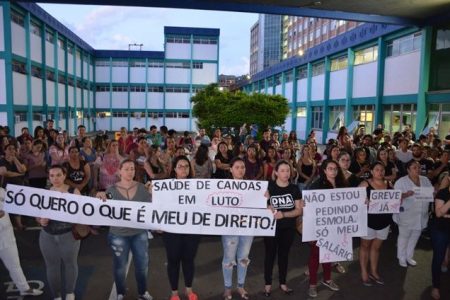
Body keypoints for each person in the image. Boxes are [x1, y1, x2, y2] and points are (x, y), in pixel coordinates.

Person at [96, 159, 153, 300]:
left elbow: (152, 208)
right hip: (118, 235)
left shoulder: (142, 188)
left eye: (132, 169)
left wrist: (154, 194)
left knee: (142, 265)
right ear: (119, 171)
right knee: (120, 266)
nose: (130, 172)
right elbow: (101, 207)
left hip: (139, 233)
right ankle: (120, 292)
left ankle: (143, 292)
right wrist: (99, 197)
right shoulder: (111, 191)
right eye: (126, 169)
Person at [36, 165, 81, 300]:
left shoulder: (74, 191)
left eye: (58, 175)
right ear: (49, 177)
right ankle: (56, 295)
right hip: (47, 235)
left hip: (68, 235)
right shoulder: (44, 192)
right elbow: (36, 213)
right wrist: (40, 220)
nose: (55, 178)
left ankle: (69, 292)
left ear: (64, 175)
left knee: (70, 263)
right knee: (51, 266)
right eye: (52, 176)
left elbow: (82, 213)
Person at [163, 156, 200, 300]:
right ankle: (174, 293)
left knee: (189, 260)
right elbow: (157, 206)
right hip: (171, 231)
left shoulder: (198, 186)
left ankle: (189, 291)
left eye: (186, 166)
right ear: (174, 169)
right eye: (180, 166)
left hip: (192, 230)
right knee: (173, 260)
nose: (183, 169)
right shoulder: (165, 187)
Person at [264, 160, 302, 296]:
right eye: (282, 171)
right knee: (270, 255)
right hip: (270, 228)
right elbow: (258, 204)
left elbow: (299, 210)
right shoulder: (269, 187)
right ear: (276, 172)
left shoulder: (294, 189)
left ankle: (283, 283)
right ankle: (267, 285)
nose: (286, 173)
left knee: (284, 256)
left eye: (288, 170)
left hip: (288, 228)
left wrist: (284, 214)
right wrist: (265, 202)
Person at [307, 159, 345, 298]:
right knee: (315, 255)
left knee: (330, 252)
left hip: (335, 225)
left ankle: (327, 279)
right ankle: (312, 284)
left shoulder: (341, 184)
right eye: (330, 168)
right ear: (324, 170)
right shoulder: (317, 184)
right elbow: (309, 207)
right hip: (319, 226)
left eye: (335, 168)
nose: (333, 171)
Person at [0, 188, 43, 297]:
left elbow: (18, 204)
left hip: (6, 235)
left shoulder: (2, 191)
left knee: (14, 264)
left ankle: (24, 289)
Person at [222, 157, 254, 299]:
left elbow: (258, 206)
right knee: (229, 258)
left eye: (243, 167)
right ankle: (227, 288)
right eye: (237, 167)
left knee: (243, 258)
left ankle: (240, 286)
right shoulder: (223, 187)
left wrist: (265, 197)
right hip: (229, 228)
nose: (240, 170)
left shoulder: (253, 188)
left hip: (247, 228)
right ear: (231, 169)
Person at [358, 162, 393, 286]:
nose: (380, 172)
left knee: (377, 248)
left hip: (384, 221)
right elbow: (355, 199)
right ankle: (364, 271)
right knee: (365, 246)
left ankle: (373, 271)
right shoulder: (365, 184)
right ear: (372, 172)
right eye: (377, 170)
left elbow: (392, 201)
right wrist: (363, 200)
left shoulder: (388, 184)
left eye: (382, 170)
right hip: (368, 221)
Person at [393, 160, 433, 267]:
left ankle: (409, 256)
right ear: (408, 170)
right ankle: (401, 257)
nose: (418, 169)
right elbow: (394, 198)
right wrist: (405, 195)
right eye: (414, 167)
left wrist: (433, 192)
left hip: (421, 215)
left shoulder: (425, 180)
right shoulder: (401, 182)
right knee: (404, 236)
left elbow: (431, 192)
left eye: (419, 167)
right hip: (406, 215)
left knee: (415, 236)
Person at [430, 182, 450, 299]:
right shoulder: (443, 193)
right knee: (438, 257)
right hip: (440, 230)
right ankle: (436, 286)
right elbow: (438, 213)